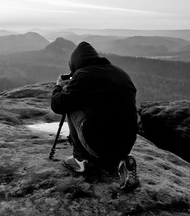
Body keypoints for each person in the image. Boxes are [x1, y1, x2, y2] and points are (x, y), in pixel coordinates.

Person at [51, 41, 140, 191]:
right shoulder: (120, 73)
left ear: (76, 64)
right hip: (126, 144)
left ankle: (80, 159)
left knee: (72, 106)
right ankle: (121, 161)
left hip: (100, 145)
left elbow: (58, 105)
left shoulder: (83, 76)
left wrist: (59, 86)